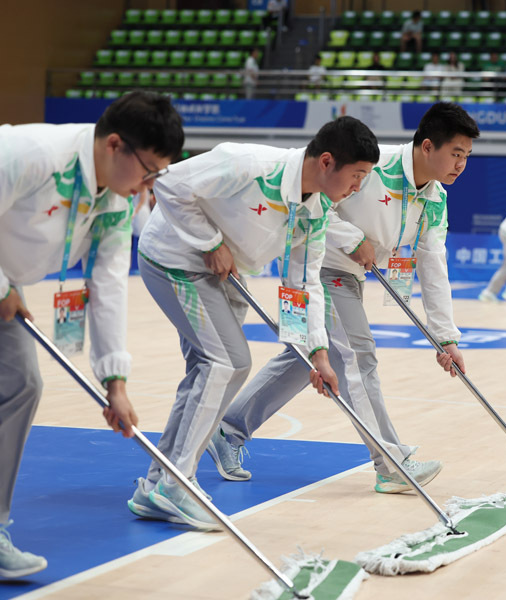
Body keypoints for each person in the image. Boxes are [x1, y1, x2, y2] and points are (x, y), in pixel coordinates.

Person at [207, 103, 480, 494]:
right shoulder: (372, 165)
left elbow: (433, 265)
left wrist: (446, 337)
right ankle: (391, 463)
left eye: (467, 157)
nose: (461, 165)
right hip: (314, 266)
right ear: (426, 147)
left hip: (350, 277)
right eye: (456, 154)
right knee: (356, 353)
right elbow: (313, 202)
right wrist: (353, 239)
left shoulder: (435, 199)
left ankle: (228, 431)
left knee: (308, 359)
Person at [130, 117, 379, 529]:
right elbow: (169, 184)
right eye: (356, 176)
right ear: (327, 161)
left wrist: (317, 353)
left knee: (207, 372)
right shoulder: (246, 164)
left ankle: (157, 485)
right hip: (173, 258)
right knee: (227, 362)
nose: (357, 187)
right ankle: (176, 486)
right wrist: (209, 243)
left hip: (220, 275)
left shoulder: (315, 211)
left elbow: (302, 285)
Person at [0, 91, 182, 578]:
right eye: (147, 171)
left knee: (21, 383)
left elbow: (107, 287)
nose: (147, 187)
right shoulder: (30, 154)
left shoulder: (117, 201)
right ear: (115, 145)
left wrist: (115, 383)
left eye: (156, 176)